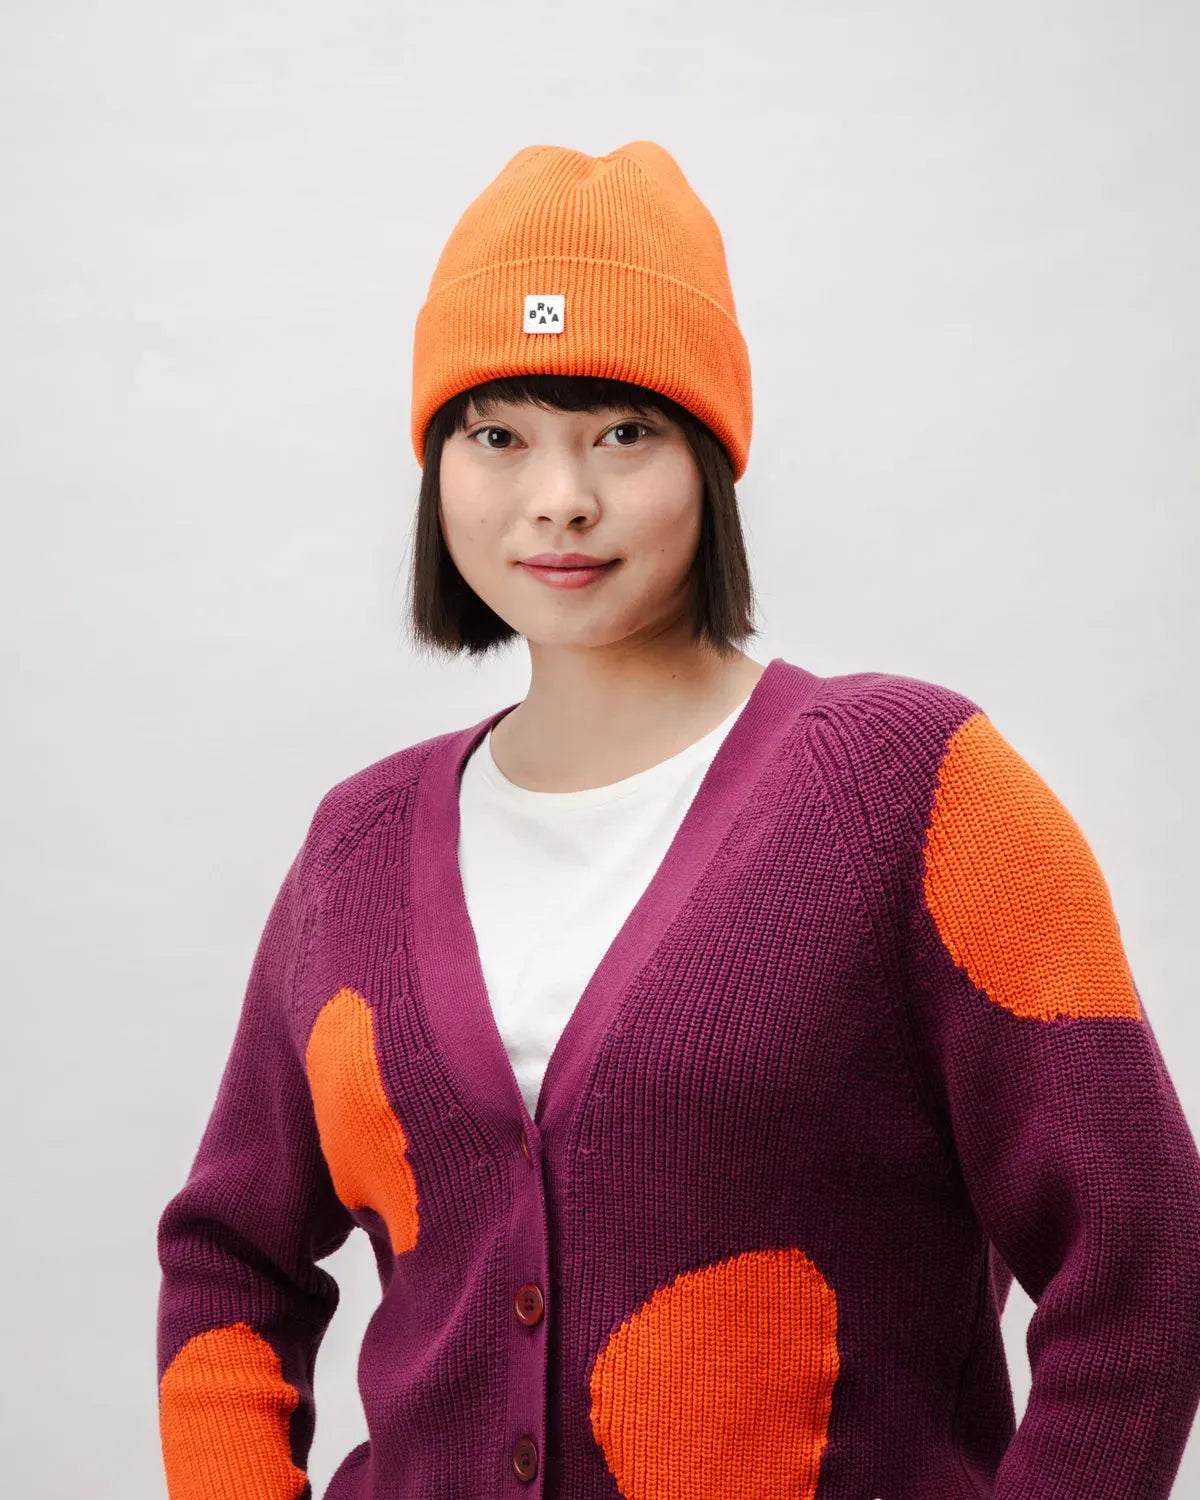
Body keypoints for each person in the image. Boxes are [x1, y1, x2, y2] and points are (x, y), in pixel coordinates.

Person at [155, 141, 1200, 1500]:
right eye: (497, 435)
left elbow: (1145, 1251)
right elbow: (230, 1257)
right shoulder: (355, 846)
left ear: (711, 458)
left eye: (622, 432)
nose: (560, 496)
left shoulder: (913, 789)